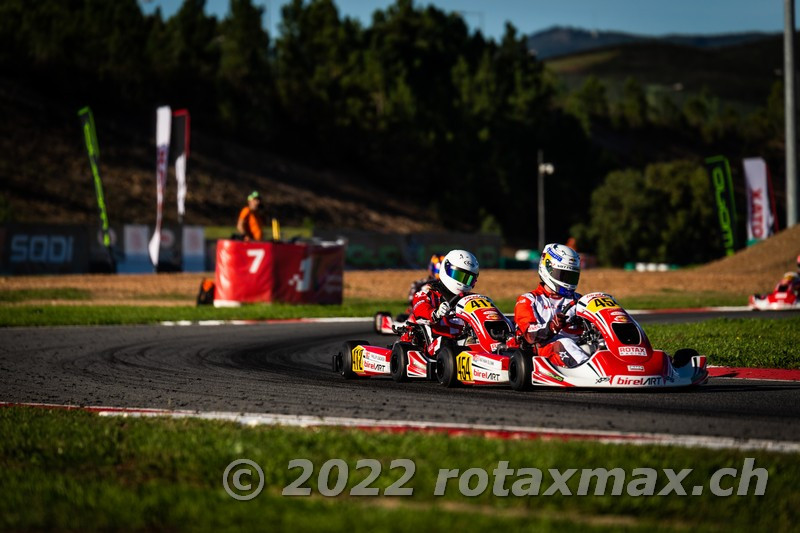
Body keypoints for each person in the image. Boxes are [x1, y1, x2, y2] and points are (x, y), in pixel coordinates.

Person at [514, 243, 588, 368]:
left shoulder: (579, 299)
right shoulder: (529, 300)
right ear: (549, 269)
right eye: (563, 275)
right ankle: (588, 370)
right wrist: (552, 327)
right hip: (546, 349)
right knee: (565, 343)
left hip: (579, 346)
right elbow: (529, 334)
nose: (567, 281)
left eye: (571, 277)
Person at [409, 249, 479, 324]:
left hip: (462, 334)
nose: (462, 282)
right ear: (445, 268)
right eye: (458, 275)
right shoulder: (428, 294)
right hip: (432, 333)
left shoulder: (472, 299)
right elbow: (420, 308)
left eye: (468, 279)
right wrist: (436, 313)